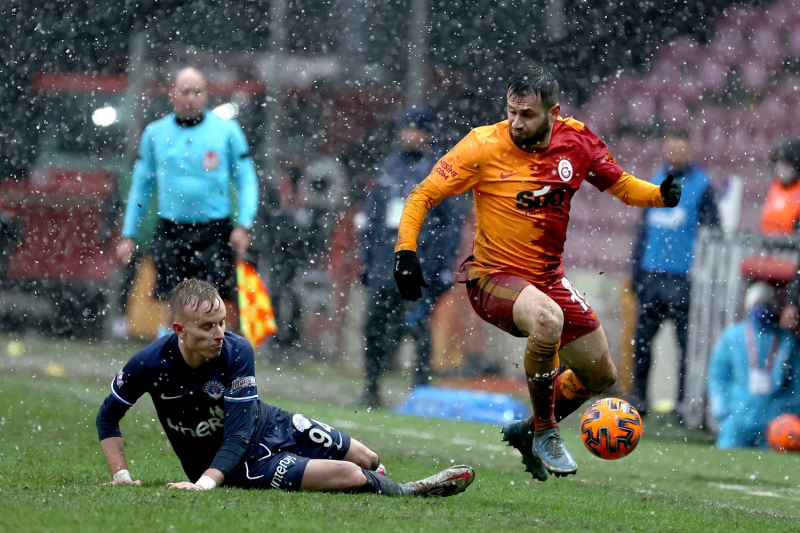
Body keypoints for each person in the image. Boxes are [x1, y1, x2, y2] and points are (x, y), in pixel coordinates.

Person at [391, 62, 681, 481]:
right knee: (547, 320)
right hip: (492, 278)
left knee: (600, 374)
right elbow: (422, 194)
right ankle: (546, 431)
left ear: (553, 112)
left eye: (527, 114)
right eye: (511, 111)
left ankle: (526, 432)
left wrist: (658, 195)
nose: (516, 122)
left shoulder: (576, 141)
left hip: (548, 278)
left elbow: (620, 184)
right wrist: (405, 251)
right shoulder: (482, 145)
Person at [96, 278, 475, 496]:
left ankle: (378, 482)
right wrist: (123, 476)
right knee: (350, 476)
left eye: (222, 322)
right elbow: (108, 417)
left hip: (270, 424)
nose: (219, 334)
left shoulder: (237, 350)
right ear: (179, 330)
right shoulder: (149, 363)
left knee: (368, 459)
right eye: (207, 327)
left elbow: (241, 429)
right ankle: (408, 492)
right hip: (242, 465)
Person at [115, 67, 258, 337]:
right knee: (174, 304)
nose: (190, 98)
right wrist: (129, 234)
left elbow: (247, 181)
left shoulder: (226, 132)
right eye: (185, 91)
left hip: (214, 231)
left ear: (206, 95)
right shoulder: (156, 134)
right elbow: (141, 188)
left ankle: (214, 365)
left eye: (197, 91)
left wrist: (243, 225)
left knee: (213, 305)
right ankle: (170, 365)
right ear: (172, 94)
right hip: (172, 229)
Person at [359, 108, 463, 408]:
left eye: (418, 130)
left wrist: (444, 267)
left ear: (427, 135)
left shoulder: (439, 171)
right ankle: (371, 388)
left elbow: (450, 225)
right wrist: (365, 259)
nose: (411, 136)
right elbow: (371, 218)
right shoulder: (387, 170)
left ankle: (420, 394)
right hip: (383, 264)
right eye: (407, 129)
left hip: (419, 265)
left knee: (418, 330)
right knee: (374, 327)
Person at [628, 130, 720, 418]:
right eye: (670, 146)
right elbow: (643, 230)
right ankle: (639, 398)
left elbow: (712, 232)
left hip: (684, 277)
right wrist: (636, 271)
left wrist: (703, 274)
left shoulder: (702, 185)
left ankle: (683, 403)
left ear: (690, 148)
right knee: (642, 343)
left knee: (686, 346)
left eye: (680, 147)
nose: (674, 152)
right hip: (652, 274)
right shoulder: (655, 181)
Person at [707, 281, 800, 449]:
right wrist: (723, 408)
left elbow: (797, 382)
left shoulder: (787, 342)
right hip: (738, 416)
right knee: (726, 458)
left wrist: (791, 413)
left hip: (774, 421)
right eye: (758, 304)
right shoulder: (732, 337)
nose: (762, 309)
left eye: (767, 304)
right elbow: (718, 374)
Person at [760, 139, 800, 235]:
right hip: (770, 245)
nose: (781, 169)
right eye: (779, 163)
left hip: (792, 246)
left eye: (787, 164)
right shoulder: (775, 187)